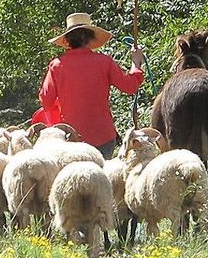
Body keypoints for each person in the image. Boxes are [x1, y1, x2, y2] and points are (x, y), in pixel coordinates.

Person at [38, 12, 145, 159]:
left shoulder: (57, 66)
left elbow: (46, 101)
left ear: (67, 41)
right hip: (103, 137)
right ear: (90, 38)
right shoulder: (104, 62)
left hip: (71, 139)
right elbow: (130, 86)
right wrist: (136, 63)